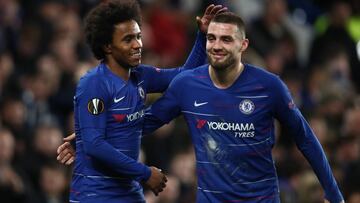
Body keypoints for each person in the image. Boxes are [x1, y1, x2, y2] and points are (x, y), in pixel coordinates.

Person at [58, 11, 344, 203]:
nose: (216, 45)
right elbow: (144, 123)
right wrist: (87, 135)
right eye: (211, 38)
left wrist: (334, 193)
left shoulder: (269, 87)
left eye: (226, 39)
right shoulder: (187, 86)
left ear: (243, 44)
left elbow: (305, 138)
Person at [63, 0, 226, 202]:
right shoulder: (94, 84)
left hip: (130, 193)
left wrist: (202, 37)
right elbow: (95, 145)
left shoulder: (141, 76)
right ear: (107, 46)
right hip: (96, 195)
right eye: (128, 39)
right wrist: (145, 173)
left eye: (139, 37)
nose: (138, 44)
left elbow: (185, 77)